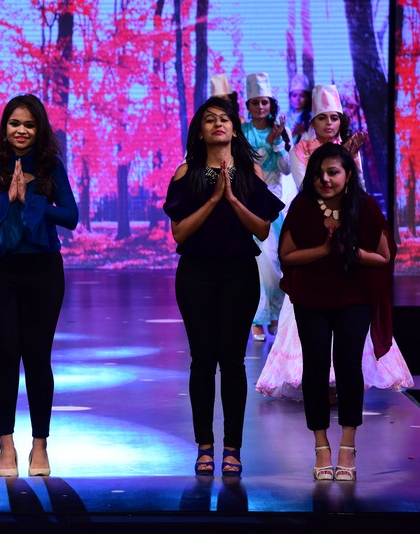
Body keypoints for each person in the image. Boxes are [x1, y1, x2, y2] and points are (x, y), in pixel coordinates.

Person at [0, 94, 79, 477]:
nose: (21, 131)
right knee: (6, 356)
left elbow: (71, 216)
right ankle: (5, 443)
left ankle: (40, 445)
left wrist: (31, 201)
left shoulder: (50, 166)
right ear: (4, 126)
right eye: (14, 123)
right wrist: (5, 199)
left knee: (38, 357)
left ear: (39, 129)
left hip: (43, 269)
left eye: (29, 124)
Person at [163, 97, 284, 477]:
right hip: (196, 274)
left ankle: (232, 448)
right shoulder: (187, 172)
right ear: (200, 131)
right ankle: (204, 446)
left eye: (225, 119)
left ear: (234, 128)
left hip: (238, 274)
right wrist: (214, 198)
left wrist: (231, 199)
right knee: (202, 360)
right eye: (209, 120)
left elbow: (262, 229)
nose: (218, 124)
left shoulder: (250, 172)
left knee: (232, 362)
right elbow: (179, 232)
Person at [278, 142, 395, 481]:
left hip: (353, 297)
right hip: (311, 297)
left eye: (333, 172)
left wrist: (351, 252)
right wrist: (325, 249)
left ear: (348, 174)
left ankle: (347, 445)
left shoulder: (364, 205)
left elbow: (384, 256)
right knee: (314, 367)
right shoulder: (303, 206)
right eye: (319, 174)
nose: (325, 179)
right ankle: (320, 447)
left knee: (348, 365)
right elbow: (287, 254)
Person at [242, 72, 291, 342]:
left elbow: (286, 169)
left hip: (272, 205)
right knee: (257, 263)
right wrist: (267, 144)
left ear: (271, 104)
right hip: (249, 203)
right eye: (255, 102)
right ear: (248, 105)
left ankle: (274, 313)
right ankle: (257, 319)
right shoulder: (242, 132)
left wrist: (278, 144)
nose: (261, 107)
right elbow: (248, 166)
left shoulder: (281, 132)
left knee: (273, 262)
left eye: (265, 102)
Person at [287, 74, 312, 145]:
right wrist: (292, 134)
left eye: (302, 96)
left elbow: (314, 142)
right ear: (290, 98)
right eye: (294, 95)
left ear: (307, 99)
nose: (298, 99)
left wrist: (303, 132)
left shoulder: (311, 117)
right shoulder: (284, 117)